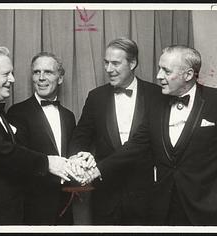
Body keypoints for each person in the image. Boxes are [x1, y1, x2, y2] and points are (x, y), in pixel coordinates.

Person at [89, 45, 217, 226]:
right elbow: (136, 145)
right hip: (163, 207)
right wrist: (97, 170)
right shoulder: (156, 102)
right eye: (159, 68)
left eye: (166, 71)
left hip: (207, 208)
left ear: (188, 75)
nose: (158, 76)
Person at [0, 47, 80, 225]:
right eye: (6, 74)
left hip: (4, 211)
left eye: (11, 73)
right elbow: (2, 151)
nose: (12, 79)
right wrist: (48, 162)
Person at [69, 38, 155, 225]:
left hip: (145, 195)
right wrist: (77, 158)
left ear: (133, 63)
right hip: (105, 194)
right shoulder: (96, 96)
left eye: (115, 63)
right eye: (106, 62)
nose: (108, 69)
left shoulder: (156, 95)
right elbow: (81, 135)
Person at [7, 52, 76, 225]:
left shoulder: (69, 116)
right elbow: (18, 159)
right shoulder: (17, 112)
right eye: (37, 72)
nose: (41, 78)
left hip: (65, 205)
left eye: (48, 72)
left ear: (60, 78)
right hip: (33, 207)